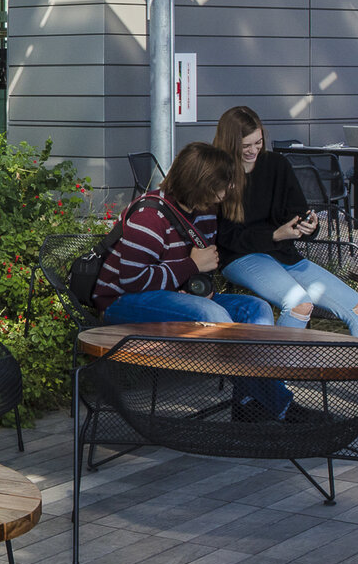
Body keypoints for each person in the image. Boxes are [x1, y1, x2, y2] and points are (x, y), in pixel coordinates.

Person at [211, 107, 358, 425]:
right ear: (229, 143)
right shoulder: (218, 173)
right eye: (245, 146)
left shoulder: (275, 164)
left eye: (258, 143)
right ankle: (273, 394)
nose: (252, 151)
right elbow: (226, 237)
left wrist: (309, 225)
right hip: (242, 257)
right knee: (299, 304)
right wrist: (275, 234)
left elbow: (299, 210)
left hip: (285, 254)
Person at [92, 143, 293, 422]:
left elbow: (198, 270)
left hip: (175, 295)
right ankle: (278, 406)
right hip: (121, 302)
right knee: (210, 315)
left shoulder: (205, 211)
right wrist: (193, 265)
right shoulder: (150, 216)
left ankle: (251, 403)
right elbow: (132, 280)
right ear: (200, 183)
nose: (226, 193)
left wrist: (198, 282)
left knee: (256, 310)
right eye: (220, 186)